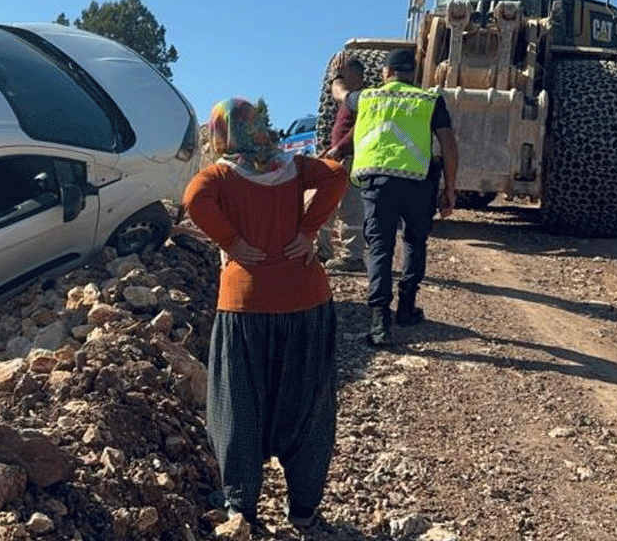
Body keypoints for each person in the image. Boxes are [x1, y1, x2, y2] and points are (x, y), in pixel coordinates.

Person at [183, 97, 346, 530]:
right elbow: (336, 174)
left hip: (245, 305)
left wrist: (232, 243)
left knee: (239, 405)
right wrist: (309, 231)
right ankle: (305, 510)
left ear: (221, 134)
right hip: (306, 300)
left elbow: (192, 197)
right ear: (258, 128)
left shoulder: (220, 175)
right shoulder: (292, 166)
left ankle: (242, 508)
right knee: (308, 407)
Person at [348, 48, 458, 346]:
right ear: (413, 73)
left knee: (381, 248)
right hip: (418, 183)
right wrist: (450, 189)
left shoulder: (369, 97)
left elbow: (340, 95)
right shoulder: (429, 100)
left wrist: (337, 77)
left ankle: (380, 324)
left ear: (386, 73)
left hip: (378, 182)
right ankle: (407, 309)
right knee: (414, 242)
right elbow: (448, 143)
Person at [318, 52, 367, 273]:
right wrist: (332, 149)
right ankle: (322, 250)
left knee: (350, 208)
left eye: (342, 73)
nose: (339, 78)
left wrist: (341, 148)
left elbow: (360, 129)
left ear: (354, 75)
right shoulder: (350, 100)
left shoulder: (362, 99)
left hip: (352, 160)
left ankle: (352, 256)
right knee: (326, 205)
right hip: (339, 158)